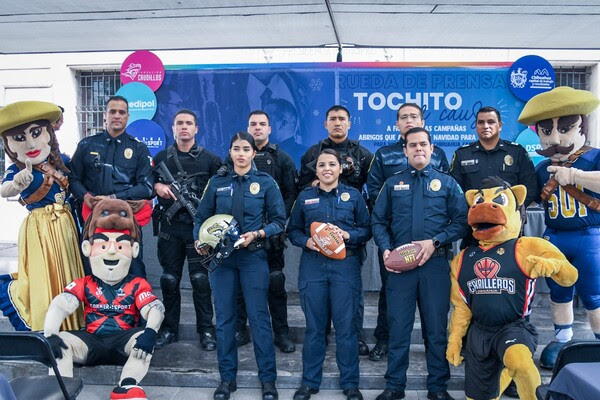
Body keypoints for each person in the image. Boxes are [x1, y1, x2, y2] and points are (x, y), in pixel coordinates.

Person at [371, 127, 469, 400]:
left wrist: (436, 241)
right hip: (400, 269)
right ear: (405, 150)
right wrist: (385, 248)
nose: (418, 149)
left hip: (434, 267)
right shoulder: (392, 184)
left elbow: (462, 222)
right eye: (412, 145)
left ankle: (437, 388)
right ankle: (394, 387)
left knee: (436, 331)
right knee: (398, 329)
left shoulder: (447, 183)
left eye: (423, 144)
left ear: (431, 148)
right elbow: (378, 221)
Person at [194, 132, 286, 400]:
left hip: (252, 257)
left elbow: (280, 221)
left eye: (246, 149)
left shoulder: (265, 183)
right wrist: (200, 240)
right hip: (222, 260)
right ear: (231, 152)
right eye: (236, 149)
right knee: (225, 319)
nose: (241, 154)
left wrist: (257, 234)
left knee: (259, 318)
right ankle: (227, 380)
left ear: (253, 153)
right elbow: (201, 218)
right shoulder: (217, 182)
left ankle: (268, 380)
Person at [43, 198, 165, 400]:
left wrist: (151, 332)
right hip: (90, 342)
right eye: (103, 245)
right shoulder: (84, 283)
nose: (111, 250)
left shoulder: (137, 284)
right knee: (60, 340)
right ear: (87, 248)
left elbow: (154, 309)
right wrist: (50, 334)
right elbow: (60, 305)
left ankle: (127, 386)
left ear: (134, 250)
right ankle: (60, 391)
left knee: (144, 337)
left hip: (123, 342)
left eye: (120, 246)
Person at [518, 86, 600, 369]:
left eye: (564, 129)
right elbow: (527, 197)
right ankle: (563, 339)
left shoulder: (594, 157)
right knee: (559, 292)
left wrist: (575, 175)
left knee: (594, 294)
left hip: (590, 237)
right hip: (554, 237)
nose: (555, 138)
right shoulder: (542, 169)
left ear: (581, 127)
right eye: (547, 131)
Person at [366, 103, 449, 362]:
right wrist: (390, 237)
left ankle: (433, 351)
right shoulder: (383, 155)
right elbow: (375, 193)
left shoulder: (438, 155)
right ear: (397, 124)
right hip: (396, 242)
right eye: (404, 117)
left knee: (432, 310)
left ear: (423, 122)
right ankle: (384, 340)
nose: (409, 120)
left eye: (414, 116)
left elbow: (446, 196)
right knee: (390, 298)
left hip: (431, 249)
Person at [288, 149, 371, 400]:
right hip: (313, 267)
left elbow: (366, 229)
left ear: (340, 168)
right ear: (316, 170)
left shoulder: (353, 196)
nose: (327, 169)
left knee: (346, 329)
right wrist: (306, 241)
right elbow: (293, 230)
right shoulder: (305, 197)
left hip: (345, 268)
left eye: (332, 164)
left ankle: (350, 384)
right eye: (322, 165)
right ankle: (309, 383)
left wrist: (348, 235)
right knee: (315, 329)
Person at [0, 100, 84, 332]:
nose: (30, 143)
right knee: (44, 274)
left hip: (67, 224)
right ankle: (47, 323)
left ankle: (72, 322)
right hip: (39, 229)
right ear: (9, 144)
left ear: (48, 133)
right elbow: (5, 189)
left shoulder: (62, 161)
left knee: (69, 270)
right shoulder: (17, 169)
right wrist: (17, 184)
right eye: (19, 138)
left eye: (36, 133)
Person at [298, 105, 373, 356]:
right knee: (318, 296)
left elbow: (372, 191)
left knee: (352, 293)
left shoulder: (364, 154)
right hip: (317, 232)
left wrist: (356, 230)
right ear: (325, 124)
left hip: (349, 234)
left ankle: (355, 336)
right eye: (332, 119)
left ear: (350, 123)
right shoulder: (312, 153)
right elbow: (301, 189)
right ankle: (322, 335)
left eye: (342, 119)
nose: (337, 123)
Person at [152, 109, 222, 351]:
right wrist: (157, 186)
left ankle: (206, 330)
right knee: (169, 280)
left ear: (196, 128)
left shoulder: (210, 160)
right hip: (170, 230)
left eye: (189, 123)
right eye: (179, 123)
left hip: (198, 231)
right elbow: (145, 182)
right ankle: (169, 329)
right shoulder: (162, 157)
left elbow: (221, 191)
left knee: (200, 281)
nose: (184, 127)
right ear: (173, 128)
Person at [69, 95, 154, 278]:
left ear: (127, 117)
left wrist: (113, 199)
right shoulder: (86, 145)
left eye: (121, 112)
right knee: (92, 269)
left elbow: (146, 187)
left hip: (126, 218)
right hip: (93, 218)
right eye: (112, 111)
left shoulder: (138, 148)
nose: (117, 115)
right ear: (105, 115)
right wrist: (85, 196)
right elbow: (73, 179)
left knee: (133, 269)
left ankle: (136, 297)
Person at [235, 110, 298, 353]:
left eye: (262, 124)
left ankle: (281, 332)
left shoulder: (283, 159)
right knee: (240, 284)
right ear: (248, 128)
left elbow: (291, 193)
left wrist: (277, 220)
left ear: (270, 129)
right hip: (241, 234)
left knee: (275, 282)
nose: (258, 128)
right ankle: (240, 330)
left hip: (271, 234)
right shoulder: (234, 160)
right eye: (253, 124)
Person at [449, 106, 538, 224]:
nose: (485, 126)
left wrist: (512, 209)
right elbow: (455, 191)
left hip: (508, 222)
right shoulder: (462, 154)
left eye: (491, 122)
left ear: (500, 125)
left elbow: (530, 187)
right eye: (481, 122)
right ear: (476, 126)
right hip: (474, 222)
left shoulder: (517, 152)